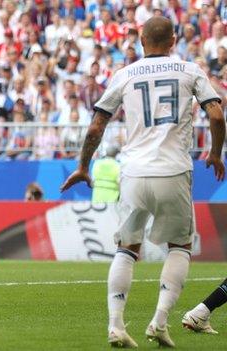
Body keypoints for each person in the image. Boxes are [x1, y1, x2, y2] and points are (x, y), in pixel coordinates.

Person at [61, 17, 226, 348]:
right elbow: (217, 114)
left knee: (127, 248)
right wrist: (216, 153)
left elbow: (95, 127)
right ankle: (159, 321)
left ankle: (116, 325)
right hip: (174, 171)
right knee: (179, 247)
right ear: (173, 40)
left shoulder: (125, 75)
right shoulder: (189, 69)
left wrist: (82, 166)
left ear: (141, 43)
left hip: (133, 172)